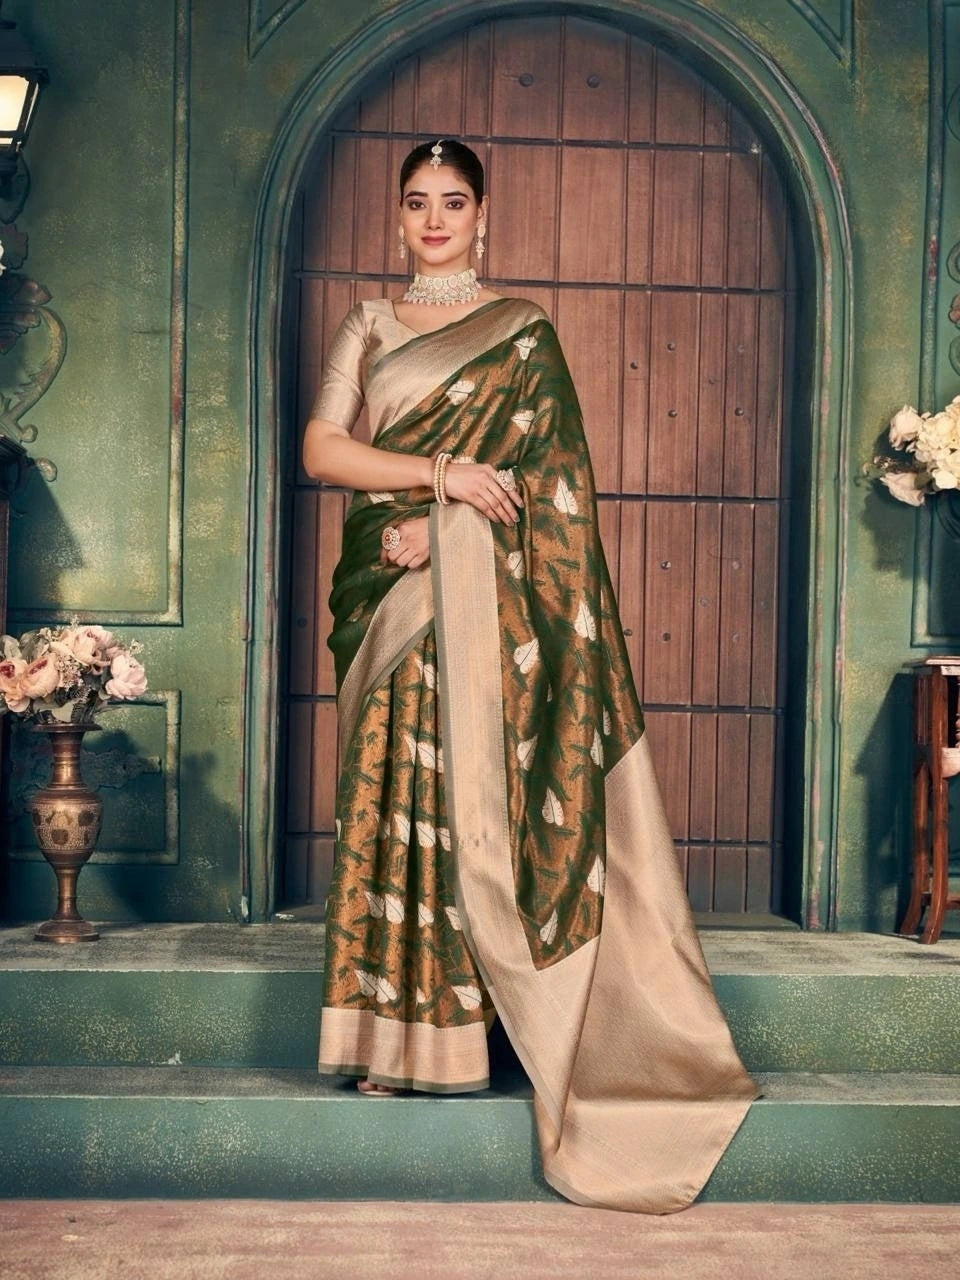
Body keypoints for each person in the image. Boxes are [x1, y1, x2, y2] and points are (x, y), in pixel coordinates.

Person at [302, 139, 759, 1214]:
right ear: (397, 215)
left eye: (452, 202)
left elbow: (555, 489)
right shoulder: (369, 322)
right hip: (390, 601)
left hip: (479, 608)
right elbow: (325, 449)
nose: (433, 220)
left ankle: (488, 1032)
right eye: (415, 203)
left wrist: (451, 526)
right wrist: (441, 478)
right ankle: (389, 1039)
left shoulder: (522, 334)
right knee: (393, 795)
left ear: (483, 215)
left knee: (480, 808)